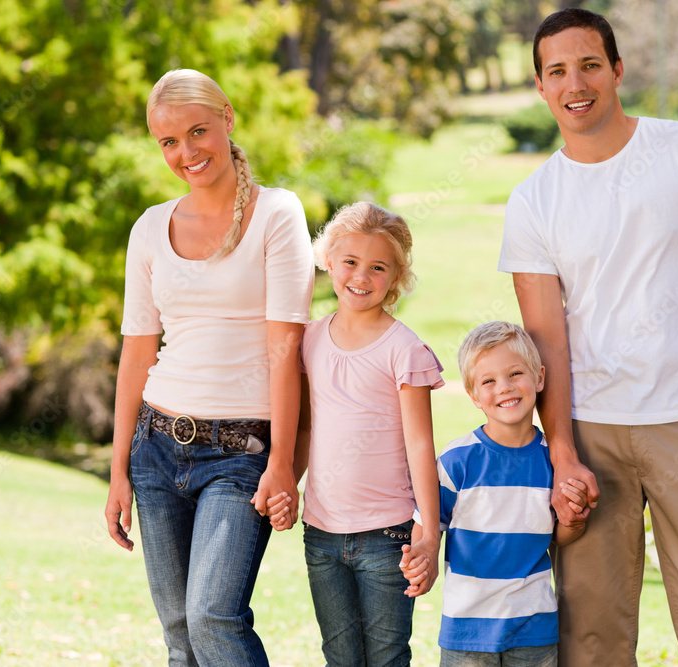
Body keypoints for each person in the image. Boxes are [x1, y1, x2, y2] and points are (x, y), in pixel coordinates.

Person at [498, 8, 678, 666]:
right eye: (558, 70)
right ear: (541, 86)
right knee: (591, 634)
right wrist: (563, 453)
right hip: (592, 432)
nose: (577, 82)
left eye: (590, 64)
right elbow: (547, 342)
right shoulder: (533, 201)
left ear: (618, 70)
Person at [103, 68, 314, 666]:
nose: (186, 153)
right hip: (156, 445)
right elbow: (137, 354)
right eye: (168, 142)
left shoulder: (278, 213)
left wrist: (282, 464)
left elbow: (286, 349)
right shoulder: (149, 227)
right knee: (178, 632)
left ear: (227, 117)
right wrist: (117, 470)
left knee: (213, 618)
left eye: (198, 132)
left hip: (241, 452)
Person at [268, 201, 444, 666]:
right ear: (328, 260)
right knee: (340, 656)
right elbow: (305, 426)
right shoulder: (308, 339)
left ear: (397, 276)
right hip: (321, 534)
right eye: (350, 262)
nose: (360, 277)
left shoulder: (404, 350)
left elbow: (421, 446)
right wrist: (288, 478)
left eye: (377, 267)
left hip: (389, 536)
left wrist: (429, 533)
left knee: (387, 657)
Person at [400, 321, 587, 666]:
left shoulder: (552, 463)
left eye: (515, 374)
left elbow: (555, 536)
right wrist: (424, 557)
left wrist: (573, 523)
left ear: (540, 378)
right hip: (467, 631)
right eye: (488, 381)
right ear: (473, 395)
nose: (504, 388)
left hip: (533, 627)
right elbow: (429, 523)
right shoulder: (458, 461)